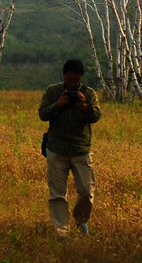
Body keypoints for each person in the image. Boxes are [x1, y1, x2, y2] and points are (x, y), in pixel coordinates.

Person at [38, 59, 102, 236]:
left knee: (87, 191)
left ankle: (81, 221)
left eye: (75, 80)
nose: (72, 83)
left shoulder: (88, 93)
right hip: (56, 149)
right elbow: (43, 114)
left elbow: (96, 116)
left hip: (81, 150)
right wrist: (59, 103)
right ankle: (61, 231)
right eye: (69, 79)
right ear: (64, 76)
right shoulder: (53, 91)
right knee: (57, 194)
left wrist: (84, 105)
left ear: (81, 78)